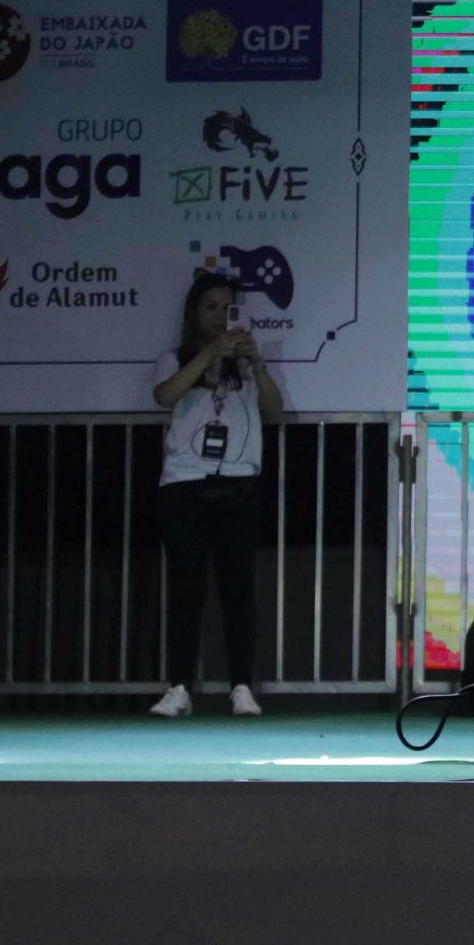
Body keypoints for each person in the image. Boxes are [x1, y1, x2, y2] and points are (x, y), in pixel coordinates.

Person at [148, 271, 282, 717]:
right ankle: (179, 687)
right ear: (194, 313)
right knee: (185, 589)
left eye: (228, 308)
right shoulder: (174, 357)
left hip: (239, 482)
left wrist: (256, 364)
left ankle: (241, 687)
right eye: (210, 307)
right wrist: (208, 354)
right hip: (184, 484)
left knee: (238, 590)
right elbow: (164, 395)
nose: (220, 316)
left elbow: (274, 408)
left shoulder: (246, 363)